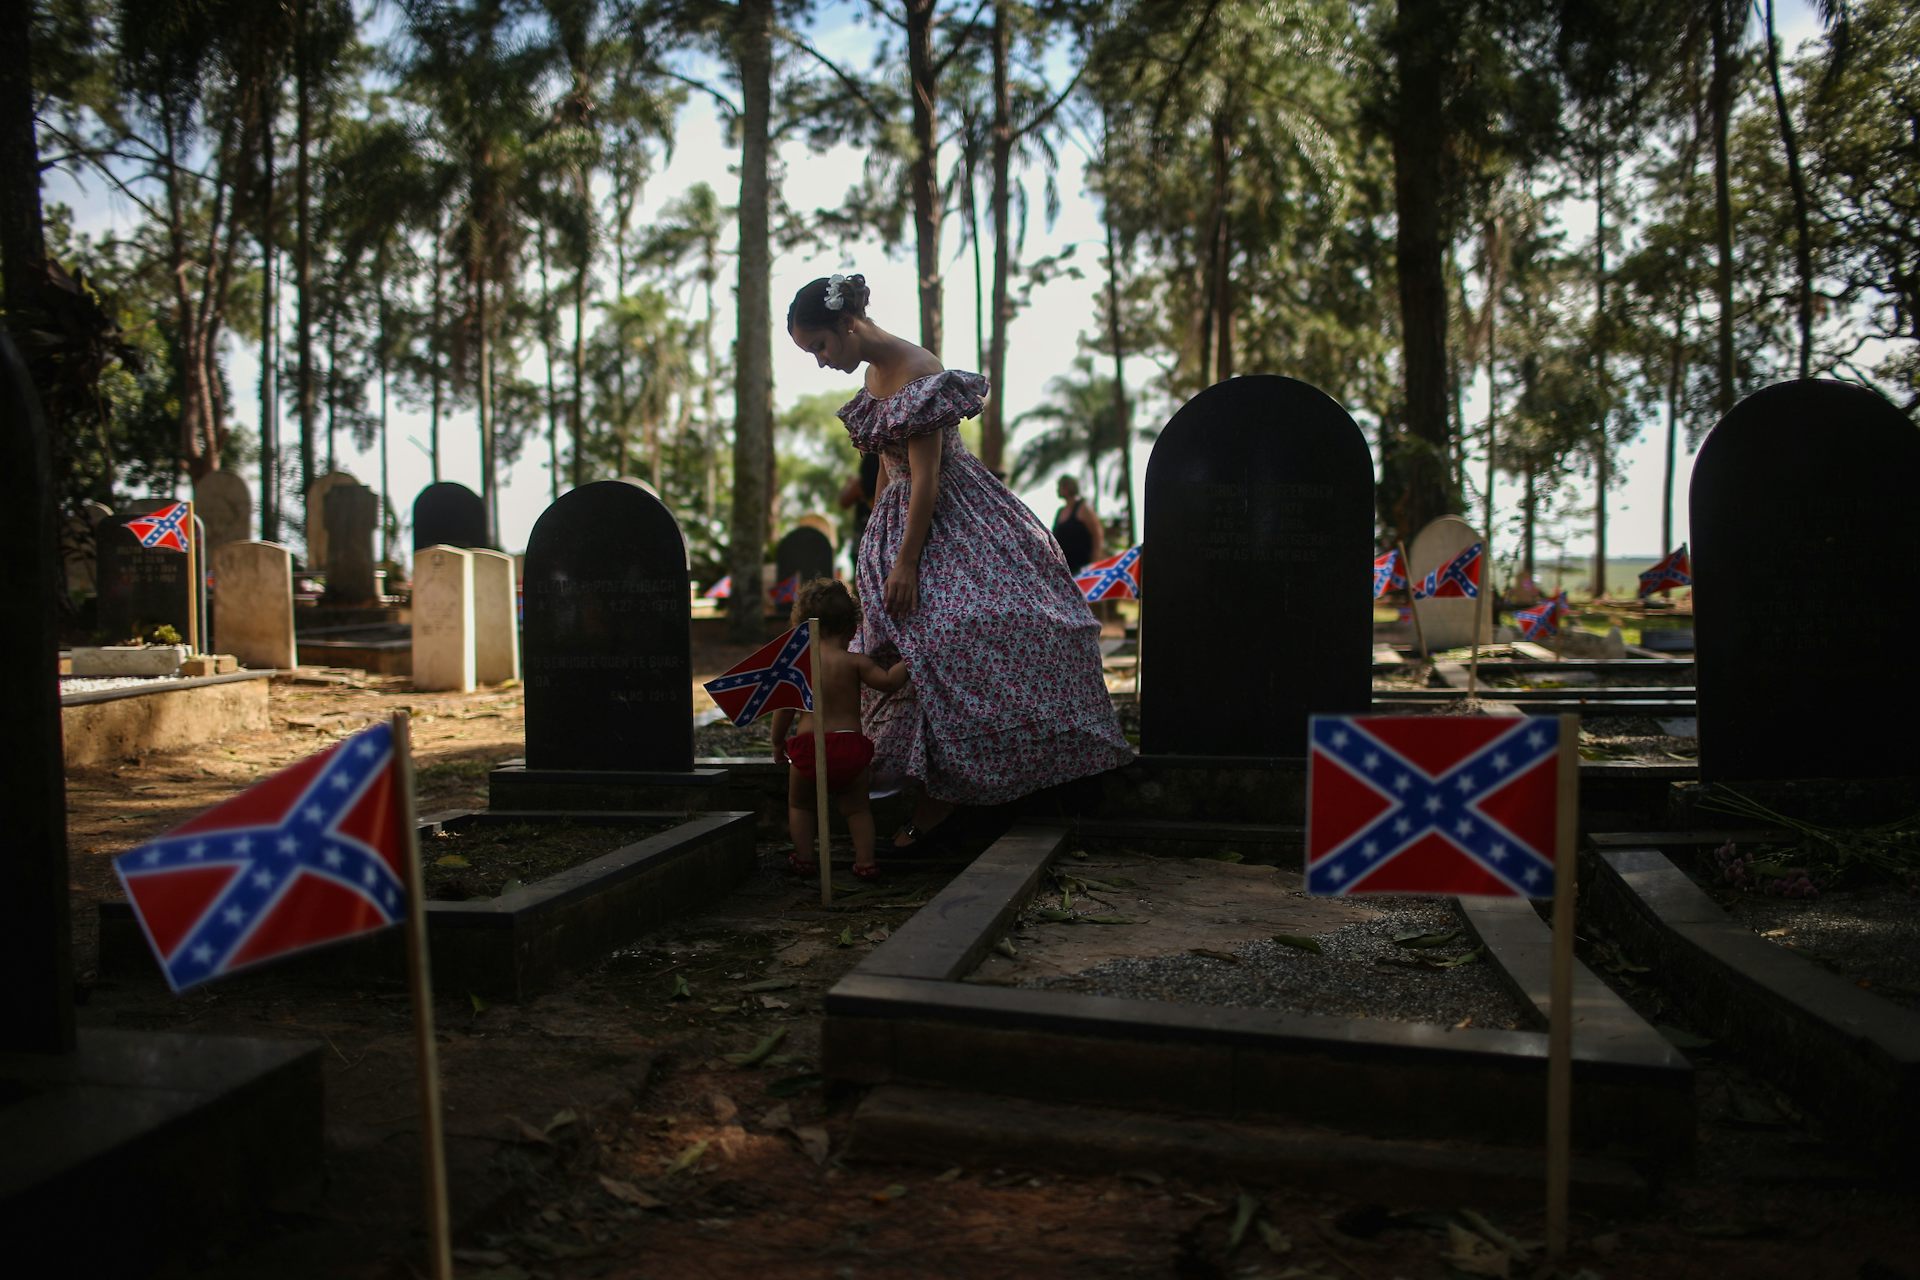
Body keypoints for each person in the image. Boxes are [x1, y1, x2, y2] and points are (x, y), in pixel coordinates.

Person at [786, 271, 1134, 849]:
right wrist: (876, 542)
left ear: (847, 324)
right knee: (896, 645)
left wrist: (905, 562)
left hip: (953, 517)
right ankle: (925, 794)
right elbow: (885, 471)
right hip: (897, 524)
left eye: (820, 346)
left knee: (964, 629)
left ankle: (980, 790)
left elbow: (926, 482)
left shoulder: (917, 370)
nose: (822, 361)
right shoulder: (873, 378)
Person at [770, 578, 910, 880]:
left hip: (808, 746)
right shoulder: (854, 662)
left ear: (802, 628)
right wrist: (912, 658)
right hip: (849, 747)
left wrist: (778, 743)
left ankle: (805, 858)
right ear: (852, 629)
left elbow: (783, 710)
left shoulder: (798, 665)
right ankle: (865, 862)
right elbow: (887, 683)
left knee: (801, 805)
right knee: (857, 809)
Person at [1050, 476, 1104, 574]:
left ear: (1067, 487)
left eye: (1060, 486)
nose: (1057, 490)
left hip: (1082, 567)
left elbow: (1097, 535)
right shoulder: (1060, 512)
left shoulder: (1083, 509)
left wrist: (1094, 563)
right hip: (1065, 568)